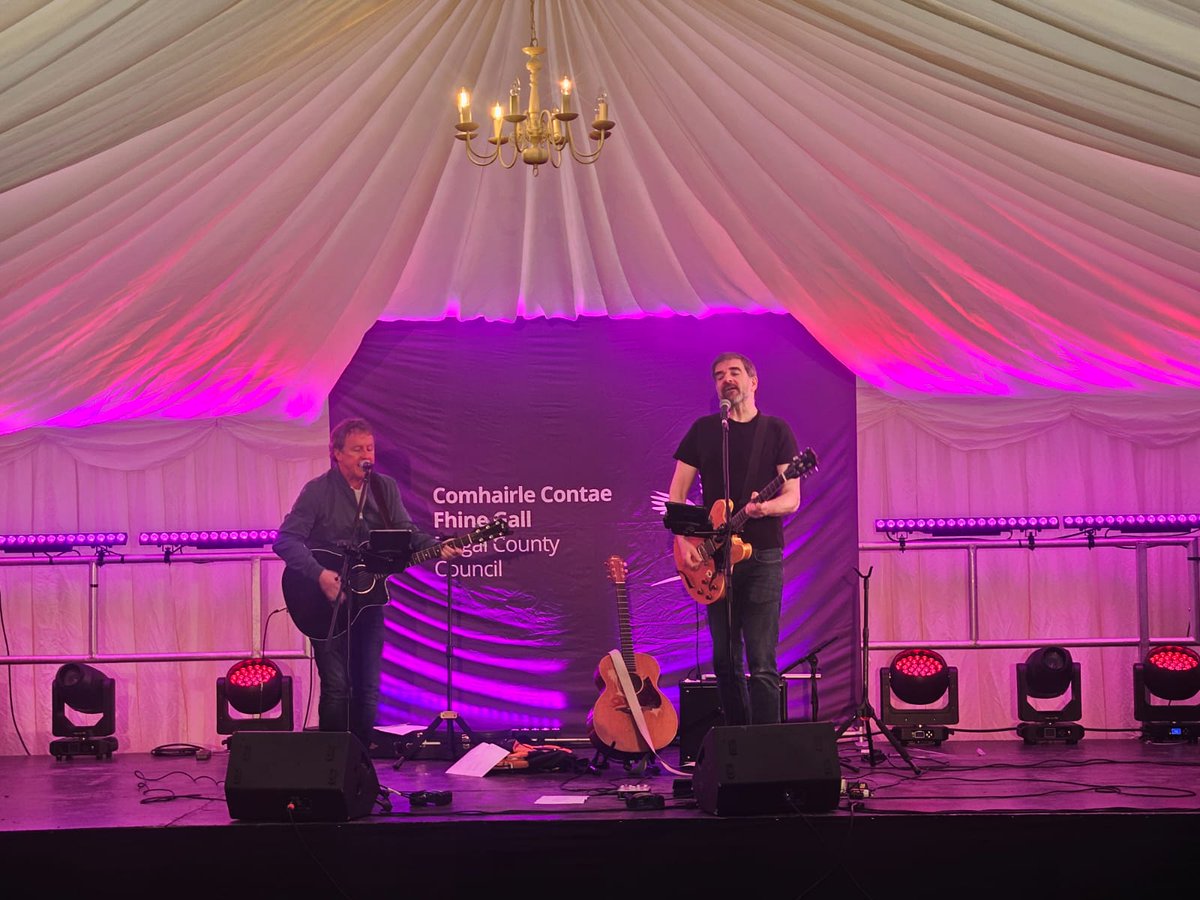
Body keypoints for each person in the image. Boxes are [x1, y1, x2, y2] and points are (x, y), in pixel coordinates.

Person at [274, 417, 459, 750]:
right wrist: (320, 574)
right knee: (336, 685)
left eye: (370, 448)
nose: (366, 456)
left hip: (368, 600)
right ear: (337, 454)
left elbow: (407, 534)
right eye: (358, 449)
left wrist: (437, 546)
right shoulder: (318, 491)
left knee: (368, 687)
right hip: (323, 603)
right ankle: (329, 763)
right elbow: (285, 541)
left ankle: (359, 763)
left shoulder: (384, 488)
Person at [669, 353, 801, 726]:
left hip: (761, 558)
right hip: (714, 560)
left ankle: (766, 748)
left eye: (734, 372)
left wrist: (764, 509)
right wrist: (683, 543)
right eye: (718, 375)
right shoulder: (704, 430)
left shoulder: (776, 431)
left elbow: (792, 498)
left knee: (761, 662)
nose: (726, 378)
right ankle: (739, 744)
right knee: (725, 661)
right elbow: (677, 495)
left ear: (753, 381)